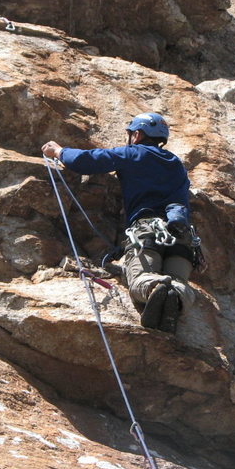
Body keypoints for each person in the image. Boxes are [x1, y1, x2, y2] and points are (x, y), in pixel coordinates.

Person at [41, 112, 196, 334]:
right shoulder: (176, 165)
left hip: (147, 230)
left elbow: (88, 161)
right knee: (180, 281)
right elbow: (181, 200)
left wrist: (58, 151)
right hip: (182, 236)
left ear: (137, 134)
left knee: (142, 278)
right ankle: (175, 298)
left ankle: (157, 288)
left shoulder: (134, 154)